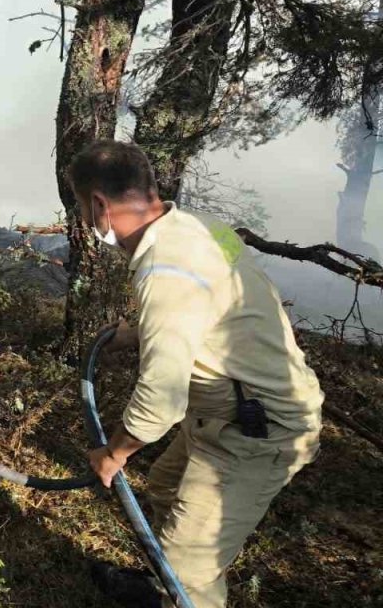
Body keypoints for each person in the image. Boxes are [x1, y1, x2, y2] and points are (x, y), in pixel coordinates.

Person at [69, 141, 323, 608]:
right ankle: (161, 581)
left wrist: (114, 453)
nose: (87, 221)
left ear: (100, 205)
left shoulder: (164, 267)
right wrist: (139, 332)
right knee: (166, 486)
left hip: (257, 430)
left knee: (193, 575)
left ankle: (178, 585)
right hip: (232, 410)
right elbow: (215, 305)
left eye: (85, 209)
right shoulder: (199, 227)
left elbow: (161, 400)